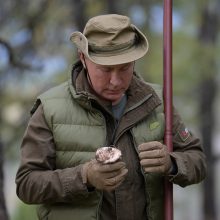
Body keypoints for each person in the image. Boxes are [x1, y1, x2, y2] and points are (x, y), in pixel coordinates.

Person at [15, 14, 206, 220]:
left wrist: (172, 163)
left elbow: (198, 161)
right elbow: (27, 184)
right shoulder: (49, 109)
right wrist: (84, 177)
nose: (115, 81)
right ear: (83, 59)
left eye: (125, 68)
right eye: (105, 70)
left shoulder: (158, 101)